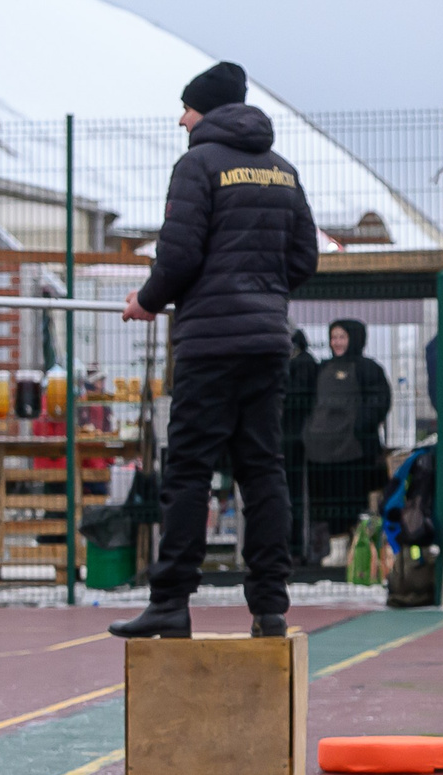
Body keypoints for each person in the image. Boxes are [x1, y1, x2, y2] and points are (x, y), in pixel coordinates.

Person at [111, 61, 316, 639]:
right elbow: (304, 260)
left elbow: (177, 256)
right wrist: (261, 292)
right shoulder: (282, 171)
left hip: (209, 345)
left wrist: (147, 301)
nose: (181, 119)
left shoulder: (198, 164)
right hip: (267, 345)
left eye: (186, 107)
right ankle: (270, 607)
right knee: (263, 470)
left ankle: (171, 600)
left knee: (189, 472)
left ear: (208, 110)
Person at [301, 319, 390, 567]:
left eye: (342, 337)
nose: (336, 343)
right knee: (328, 502)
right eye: (333, 337)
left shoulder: (368, 369)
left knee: (355, 500)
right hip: (321, 452)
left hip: (355, 451)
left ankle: (360, 549)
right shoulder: (322, 368)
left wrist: (359, 427)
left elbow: (379, 402)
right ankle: (337, 547)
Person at [282, 326, 317, 564]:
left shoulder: (301, 364)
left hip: (291, 439)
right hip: (291, 438)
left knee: (292, 495)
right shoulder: (303, 362)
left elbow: (296, 398)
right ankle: (292, 547)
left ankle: (294, 547)